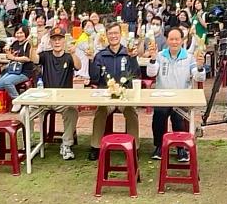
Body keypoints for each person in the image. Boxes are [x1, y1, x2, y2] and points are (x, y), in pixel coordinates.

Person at [145, 27, 205, 161]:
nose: (174, 42)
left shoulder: (189, 57)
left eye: (177, 39)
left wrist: (200, 67)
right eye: (171, 39)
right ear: (167, 40)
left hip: (181, 99)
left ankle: (181, 147)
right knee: (159, 115)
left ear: (182, 40)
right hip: (162, 98)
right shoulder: (160, 55)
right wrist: (153, 58)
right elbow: (151, 73)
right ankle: (159, 146)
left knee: (178, 117)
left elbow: (198, 77)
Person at [87, 22, 141, 161]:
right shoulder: (101, 55)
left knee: (131, 113)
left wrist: (133, 58)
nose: (113, 36)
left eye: (116, 33)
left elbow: (136, 75)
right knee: (100, 112)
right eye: (110, 33)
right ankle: (95, 146)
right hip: (107, 95)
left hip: (124, 95)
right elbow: (94, 78)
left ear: (120, 34)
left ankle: (134, 147)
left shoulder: (128, 52)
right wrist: (91, 61)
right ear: (106, 36)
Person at [29, 27, 81, 160]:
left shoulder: (69, 56)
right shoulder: (46, 55)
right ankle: (30, 142)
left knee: (72, 111)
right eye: (54, 39)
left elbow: (78, 66)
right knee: (26, 112)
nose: (57, 42)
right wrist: (33, 47)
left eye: (60, 39)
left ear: (64, 41)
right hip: (45, 98)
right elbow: (34, 59)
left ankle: (66, 144)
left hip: (63, 99)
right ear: (50, 42)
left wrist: (74, 53)